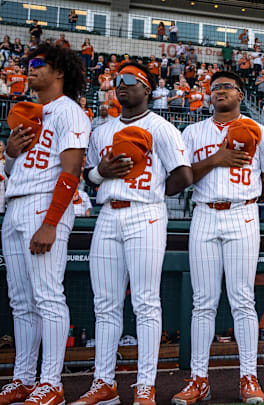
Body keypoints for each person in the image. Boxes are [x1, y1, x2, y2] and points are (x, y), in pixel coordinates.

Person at [74, 62, 192, 405]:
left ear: (148, 89)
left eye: (130, 80)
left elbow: (183, 176)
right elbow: (89, 177)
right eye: (117, 81)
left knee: (145, 302)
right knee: (105, 304)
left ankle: (145, 384)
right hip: (108, 214)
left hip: (145, 213)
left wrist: (152, 192)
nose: (121, 85)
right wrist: (101, 172)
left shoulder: (162, 127)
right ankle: (103, 383)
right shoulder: (102, 130)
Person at [171, 71, 264, 405]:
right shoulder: (193, 131)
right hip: (205, 212)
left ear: (240, 93)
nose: (220, 92)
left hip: (243, 213)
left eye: (226, 87)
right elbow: (182, 177)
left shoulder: (259, 130)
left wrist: (248, 194)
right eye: (215, 88)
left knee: (242, 298)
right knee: (202, 301)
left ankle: (249, 376)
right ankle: (198, 378)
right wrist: (216, 159)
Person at [0, 43, 90, 405]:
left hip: (44, 205)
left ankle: (50, 382)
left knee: (47, 296)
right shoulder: (30, 112)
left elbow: (71, 171)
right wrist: (10, 152)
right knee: (21, 301)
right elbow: (11, 170)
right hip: (15, 203)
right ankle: (23, 378)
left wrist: (51, 223)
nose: (31, 69)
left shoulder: (70, 112)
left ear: (60, 72)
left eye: (39, 64)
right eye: (29, 64)